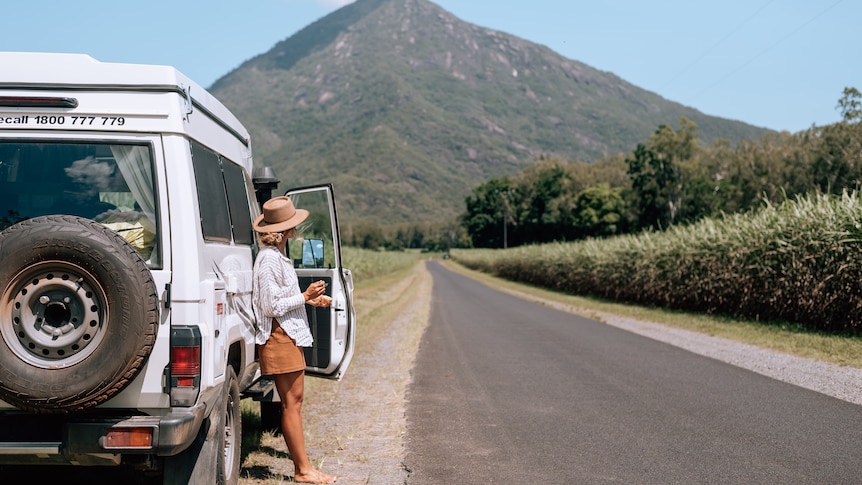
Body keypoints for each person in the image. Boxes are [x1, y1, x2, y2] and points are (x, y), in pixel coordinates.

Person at [252, 196, 336, 484]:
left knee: (294, 401)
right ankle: (303, 471)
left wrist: (311, 301)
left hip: (285, 332)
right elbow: (269, 305)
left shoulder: (275, 258)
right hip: (279, 335)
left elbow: (279, 300)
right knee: (291, 402)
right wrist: (304, 296)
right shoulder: (268, 261)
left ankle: (304, 468)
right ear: (288, 231)